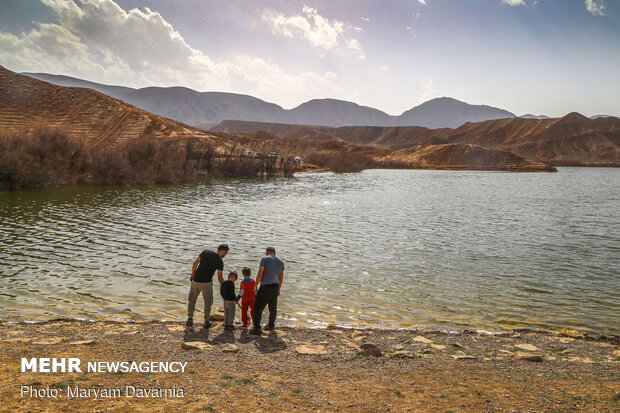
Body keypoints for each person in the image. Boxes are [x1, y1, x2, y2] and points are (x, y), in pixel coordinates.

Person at [187, 244, 229, 329]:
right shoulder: (220, 261)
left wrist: (192, 275)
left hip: (196, 281)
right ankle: (206, 321)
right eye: (226, 253)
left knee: (192, 299)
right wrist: (226, 285)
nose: (226, 255)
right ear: (223, 251)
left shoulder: (205, 252)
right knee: (208, 302)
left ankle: (190, 319)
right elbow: (220, 278)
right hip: (207, 283)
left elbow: (195, 263)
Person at [250, 247, 284, 335]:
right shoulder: (281, 262)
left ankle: (257, 327)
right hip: (275, 286)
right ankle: (271, 325)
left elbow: (260, 273)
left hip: (265, 286)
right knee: (273, 307)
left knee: (258, 307)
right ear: (274, 253)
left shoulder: (264, 259)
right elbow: (281, 277)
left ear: (267, 252)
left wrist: (255, 285)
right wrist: (279, 289)